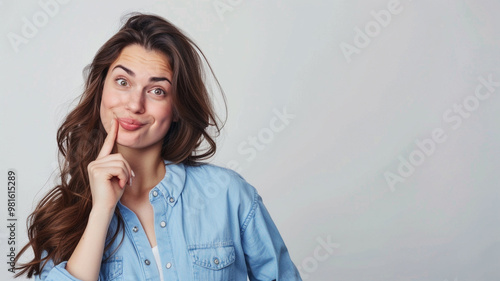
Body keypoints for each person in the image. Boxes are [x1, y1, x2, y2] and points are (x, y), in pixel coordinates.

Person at [14, 13, 302, 281]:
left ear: (177, 107)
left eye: (157, 90)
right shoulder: (63, 217)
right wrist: (101, 210)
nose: (134, 104)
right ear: (101, 89)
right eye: (123, 82)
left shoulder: (229, 196)